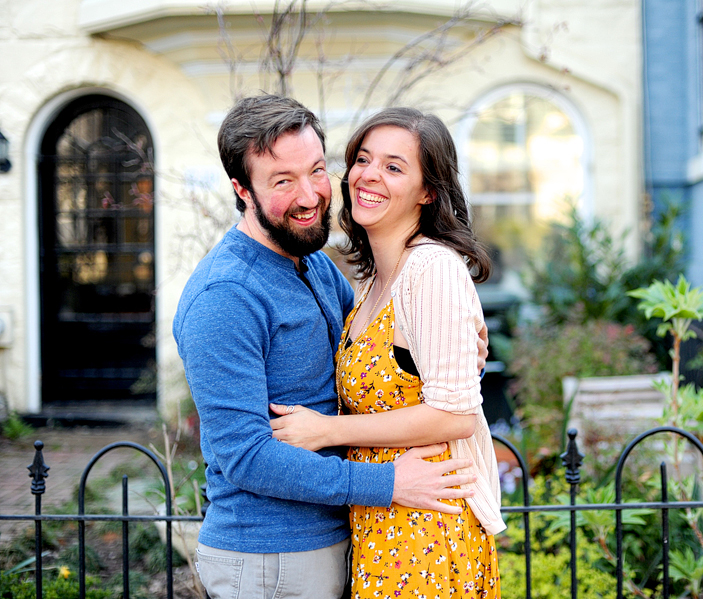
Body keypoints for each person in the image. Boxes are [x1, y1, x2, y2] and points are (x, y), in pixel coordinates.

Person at [173, 95, 483, 599]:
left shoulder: (313, 264)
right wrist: (384, 484)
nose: (309, 196)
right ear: (241, 190)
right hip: (269, 557)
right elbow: (246, 457)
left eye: (316, 170)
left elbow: (392, 356)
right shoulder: (225, 296)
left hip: (349, 539)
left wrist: (457, 342)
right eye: (282, 181)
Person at [269, 107, 504, 598]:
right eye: (363, 159)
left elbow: (456, 414)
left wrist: (325, 430)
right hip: (383, 522)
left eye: (394, 167)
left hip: (426, 531)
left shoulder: (432, 269)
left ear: (427, 191)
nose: (369, 176)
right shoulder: (374, 279)